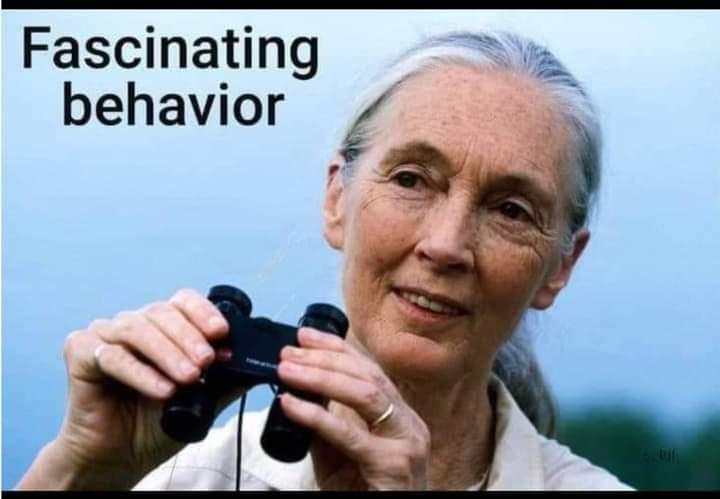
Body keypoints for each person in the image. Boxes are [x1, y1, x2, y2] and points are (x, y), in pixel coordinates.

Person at [17, 30, 633, 490]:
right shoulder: (191, 477)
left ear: (561, 266)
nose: (446, 245)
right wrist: (81, 472)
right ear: (337, 198)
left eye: (511, 211)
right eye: (412, 179)